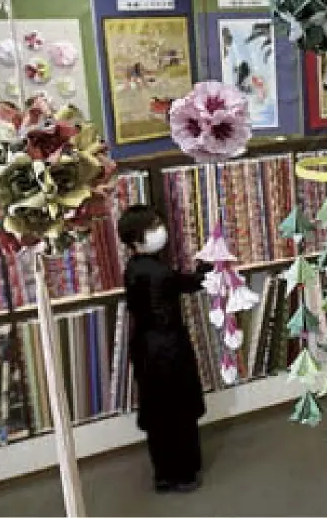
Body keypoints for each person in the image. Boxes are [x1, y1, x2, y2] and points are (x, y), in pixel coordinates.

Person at [117, 204, 208, 494]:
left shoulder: (133, 269)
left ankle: (164, 475)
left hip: (145, 348)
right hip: (168, 348)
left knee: (158, 413)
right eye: (151, 227)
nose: (159, 230)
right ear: (134, 241)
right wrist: (204, 270)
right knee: (179, 411)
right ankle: (185, 474)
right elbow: (187, 284)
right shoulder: (158, 272)